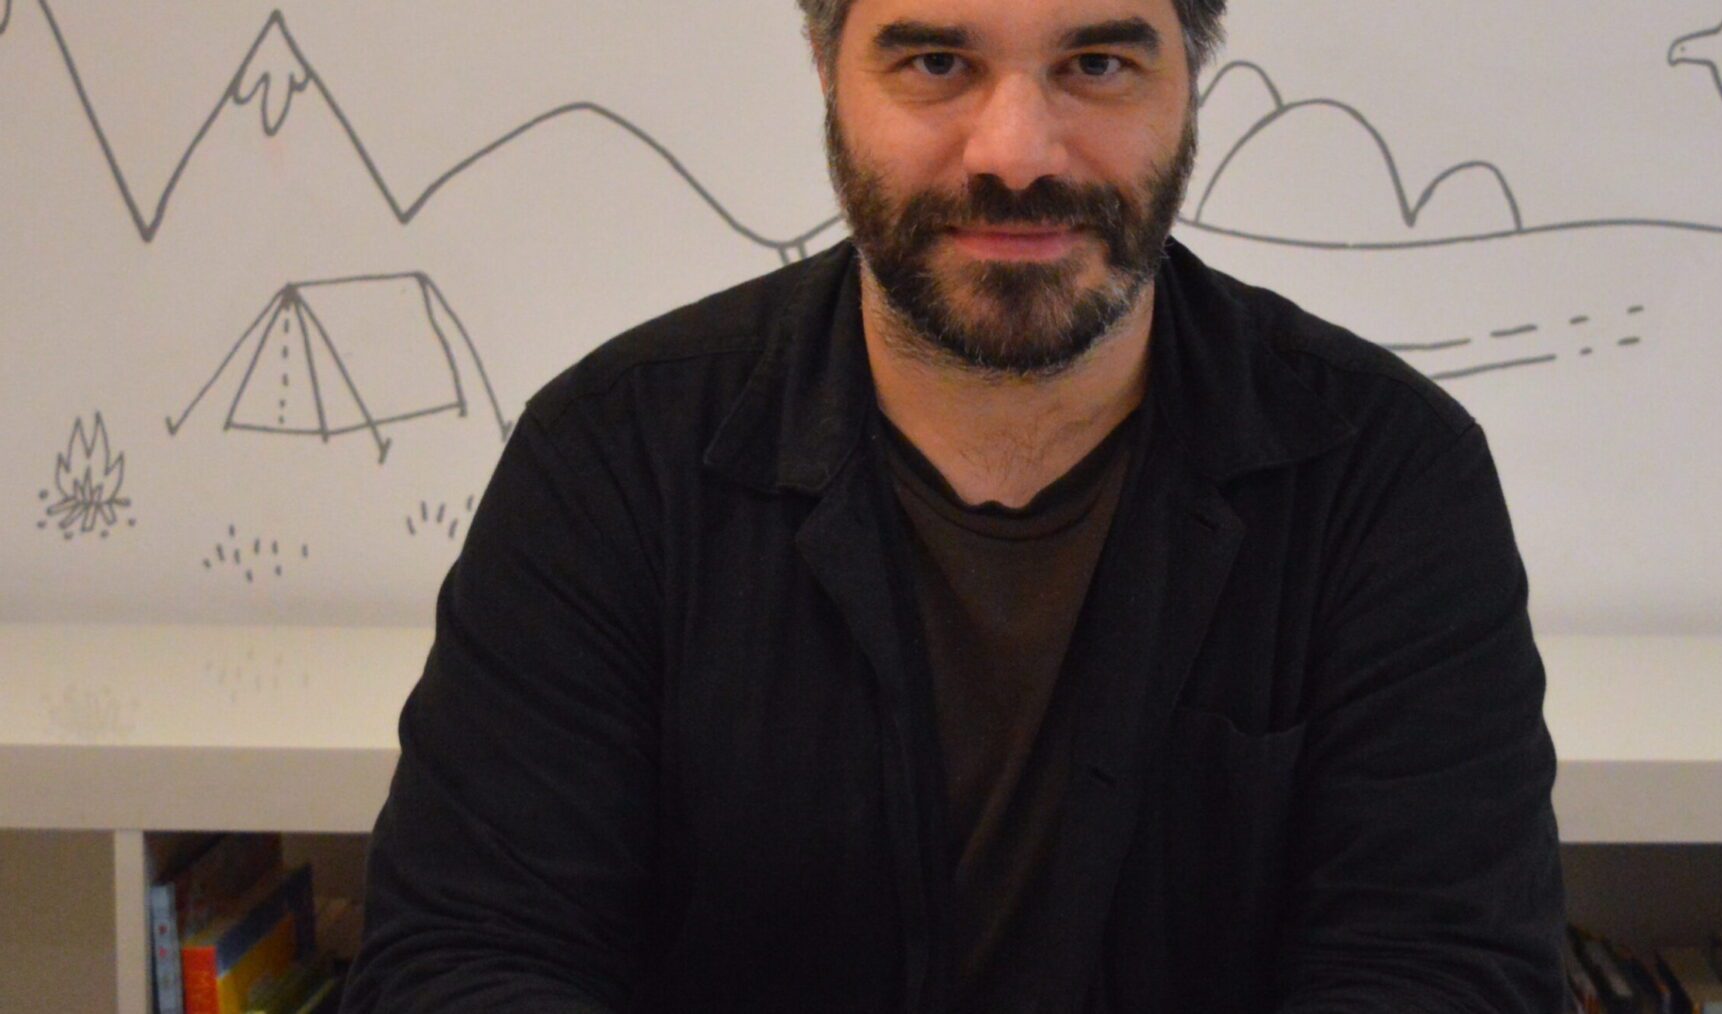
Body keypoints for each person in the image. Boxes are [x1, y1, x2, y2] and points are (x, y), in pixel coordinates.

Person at [339, 0, 1570, 1010]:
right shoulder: (609, 464)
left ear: (1189, 78)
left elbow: (1442, 975)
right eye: (937, 60)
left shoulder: (1389, 477)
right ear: (827, 67)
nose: (1017, 150)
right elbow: (468, 960)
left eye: (1095, 61)